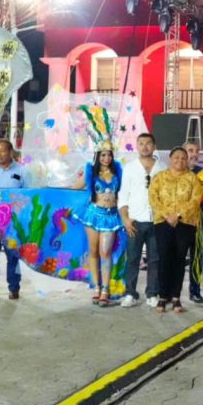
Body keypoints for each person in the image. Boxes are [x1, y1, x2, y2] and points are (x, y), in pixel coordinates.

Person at [73, 107, 124, 307]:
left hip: (111, 216)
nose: (106, 158)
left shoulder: (118, 171)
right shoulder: (90, 172)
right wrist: (53, 187)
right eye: (102, 155)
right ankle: (96, 286)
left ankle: (106, 289)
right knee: (93, 251)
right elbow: (76, 186)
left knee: (105, 252)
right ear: (97, 156)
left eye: (108, 155)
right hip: (93, 214)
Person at [149, 147, 203, 314]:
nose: (179, 161)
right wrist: (167, 215)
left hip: (185, 224)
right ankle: (163, 296)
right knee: (164, 258)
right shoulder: (159, 178)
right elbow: (153, 198)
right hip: (163, 222)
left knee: (179, 260)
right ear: (170, 159)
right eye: (176, 158)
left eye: (183, 158)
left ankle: (176, 297)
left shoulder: (193, 179)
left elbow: (195, 200)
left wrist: (178, 215)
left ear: (187, 160)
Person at [118, 133, 166, 308]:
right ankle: (130, 293)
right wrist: (125, 219)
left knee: (155, 259)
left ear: (154, 146)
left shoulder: (162, 168)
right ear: (137, 146)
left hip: (157, 221)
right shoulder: (130, 168)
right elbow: (123, 196)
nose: (145, 146)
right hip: (135, 222)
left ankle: (152, 293)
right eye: (141, 143)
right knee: (132, 258)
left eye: (148, 143)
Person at [0, 139, 31, 299]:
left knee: (13, 253)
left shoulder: (22, 171)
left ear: (10, 152)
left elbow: (29, 194)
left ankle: (14, 287)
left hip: (13, 220)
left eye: (2, 151)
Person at [182, 141, 203, 304]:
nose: (194, 154)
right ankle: (172, 292)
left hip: (199, 223)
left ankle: (195, 291)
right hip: (179, 223)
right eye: (190, 150)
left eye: (197, 151)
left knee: (197, 257)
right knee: (176, 259)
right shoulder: (174, 173)